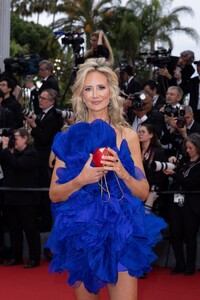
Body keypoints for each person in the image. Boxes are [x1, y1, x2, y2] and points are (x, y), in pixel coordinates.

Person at [45, 58, 166, 300]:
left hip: (121, 229)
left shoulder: (128, 136)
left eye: (101, 87)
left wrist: (122, 171)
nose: (95, 94)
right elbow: (54, 194)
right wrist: (81, 179)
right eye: (88, 88)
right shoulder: (69, 136)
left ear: (111, 92)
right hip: (82, 231)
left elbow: (143, 192)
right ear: (81, 94)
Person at [0, 128, 41, 268]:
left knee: (30, 229)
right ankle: (16, 256)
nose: (13, 140)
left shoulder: (32, 153)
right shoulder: (13, 153)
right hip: (11, 197)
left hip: (26, 199)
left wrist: (5, 149)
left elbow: (18, 165)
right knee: (14, 228)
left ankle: (35, 258)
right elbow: (7, 164)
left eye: (15, 137)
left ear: (24, 138)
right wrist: (6, 150)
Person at [25, 89, 64, 233]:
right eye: (39, 98)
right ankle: (42, 219)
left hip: (47, 158)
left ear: (52, 101)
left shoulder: (54, 116)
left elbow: (45, 139)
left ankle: (47, 222)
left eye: (43, 98)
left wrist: (34, 126)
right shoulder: (43, 114)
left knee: (46, 190)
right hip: (39, 157)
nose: (39, 100)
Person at [164, 133, 200, 276]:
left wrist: (174, 174)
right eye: (187, 148)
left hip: (191, 205)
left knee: (190, 236)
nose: (188, 150)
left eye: (191, 148)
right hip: (176, 202)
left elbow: (190, 183)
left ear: (198, 147)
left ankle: (190, 266)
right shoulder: (184, 161)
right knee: (175, 234)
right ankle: (179, 264)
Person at [138, 124, 168, 216]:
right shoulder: (137, 150)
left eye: (143, 132)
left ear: (151, 135)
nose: (140, 134)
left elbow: (161, 175)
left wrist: (145, 181)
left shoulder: (157, 151)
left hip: (152, 190)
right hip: (137, 188)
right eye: (139, 132)